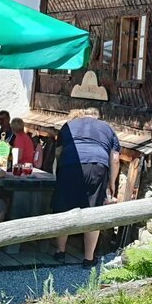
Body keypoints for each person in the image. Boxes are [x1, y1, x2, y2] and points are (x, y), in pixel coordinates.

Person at [53, 107, 120, 267]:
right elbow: (115, 159)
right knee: (93, 212)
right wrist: (111, 183)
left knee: (64, 209)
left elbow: (58, 152)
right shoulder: (108, 128)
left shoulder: (68, 125)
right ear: (97, 117)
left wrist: (59, 174)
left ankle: (60, 252)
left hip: (70, 164)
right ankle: (89, 258)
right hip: (97, 166)